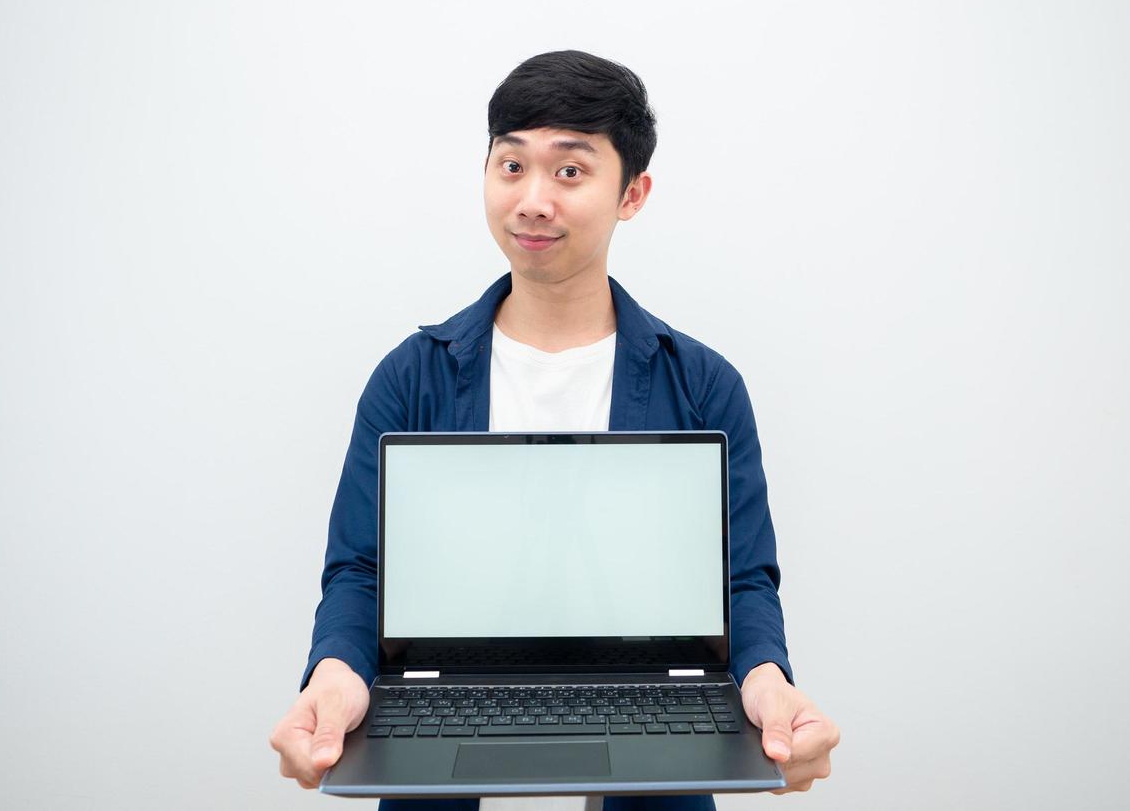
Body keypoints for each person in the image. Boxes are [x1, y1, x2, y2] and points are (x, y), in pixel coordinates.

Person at [269, 50, 840, 809]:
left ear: (631, 193)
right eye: (511, 166)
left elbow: (739, 582)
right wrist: (334, 675)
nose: (532, 201)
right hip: (441, 701)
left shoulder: (702, 386)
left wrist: (767, 681)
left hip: (651, 699)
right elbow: (359, 574)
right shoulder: (411, 378)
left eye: (569, 172)